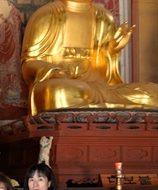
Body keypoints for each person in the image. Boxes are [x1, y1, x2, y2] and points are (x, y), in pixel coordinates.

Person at [21, 0, 158, 115]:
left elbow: (107, 76)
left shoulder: (104, 17)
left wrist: (112, 50)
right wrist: (54, 71)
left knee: (154, 92)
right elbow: (29, 63)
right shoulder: (47, 15)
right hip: (68, 87)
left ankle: (99, 108)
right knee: (59, 92)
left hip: (102, 90)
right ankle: (108, 109)